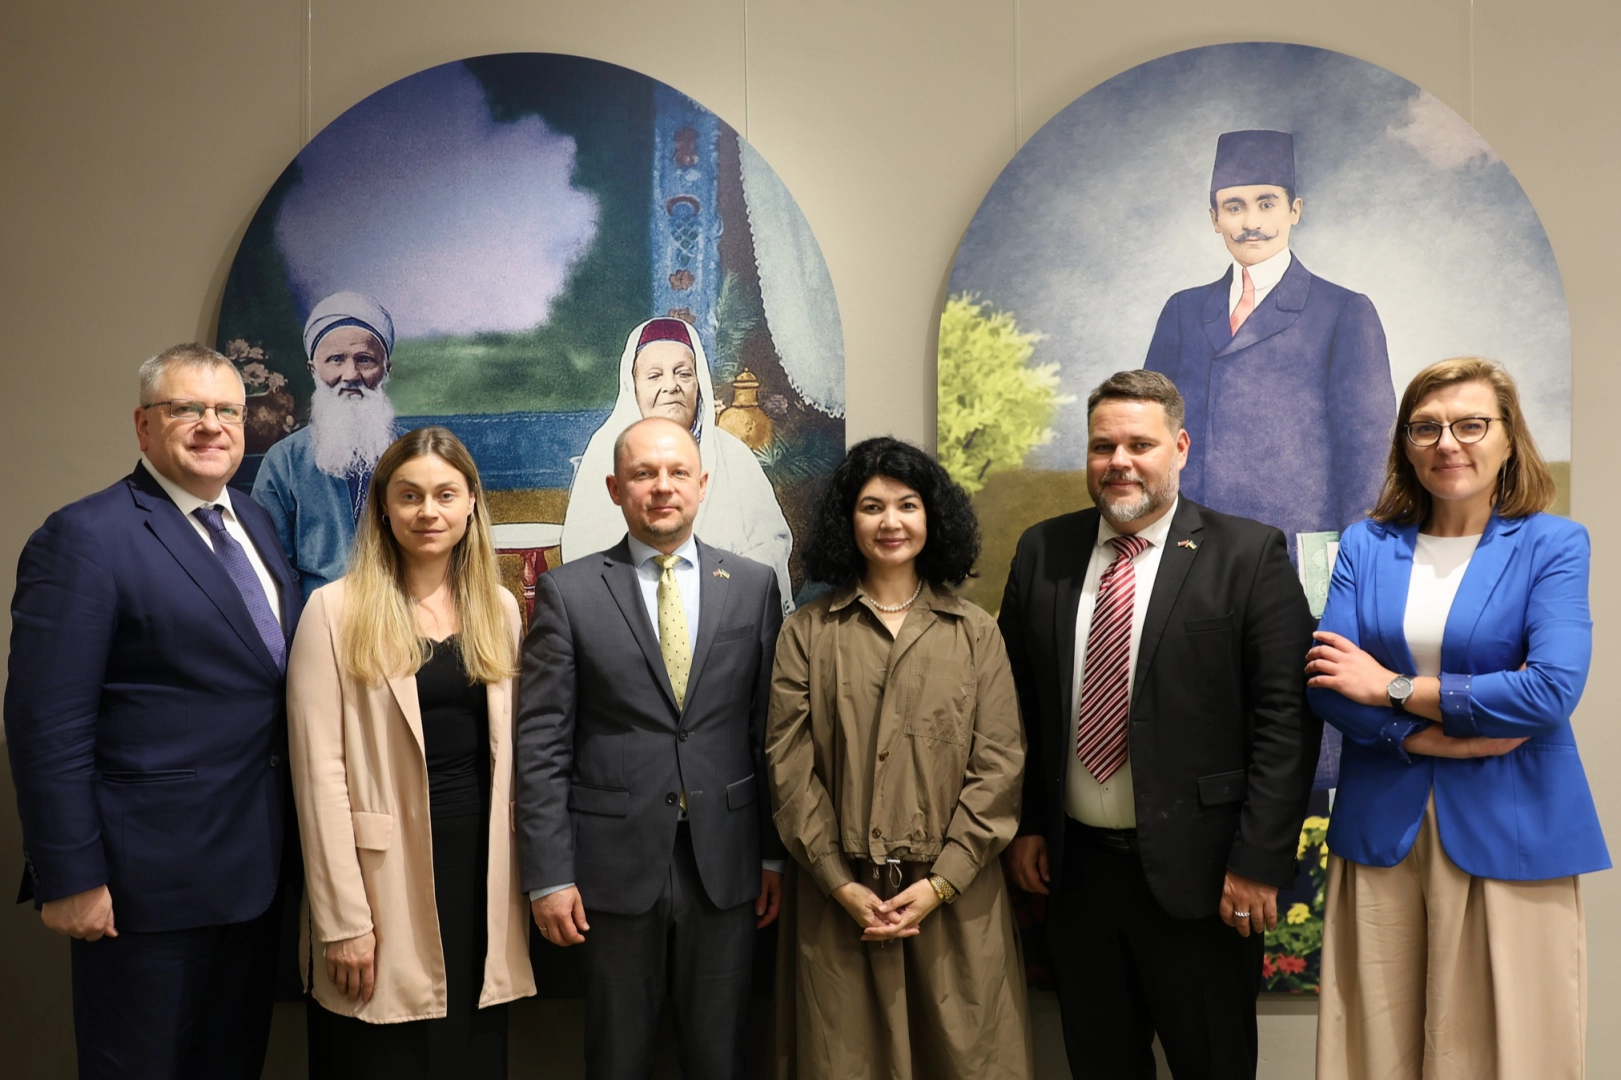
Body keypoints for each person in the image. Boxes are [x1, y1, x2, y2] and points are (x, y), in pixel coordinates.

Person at [999, 369, 1320, 1079]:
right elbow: (1015, 704)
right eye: (1102, 446)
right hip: (1076, 875)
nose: (1118, 462)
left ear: (1179, 447)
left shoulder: (1247, 554)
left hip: (1205, 879)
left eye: (1139, 445)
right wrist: (1025, 824)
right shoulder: (1042, 551)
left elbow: (1286, 721)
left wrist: (1257, 862)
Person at [1305, 357, 1608, 1080]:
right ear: (1406, 445)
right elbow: (1327, 685)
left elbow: (1549, 691)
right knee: (1372, 1053)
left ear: (1508, 437)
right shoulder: (1365, 544)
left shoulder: (1553, 544)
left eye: (1471, 424)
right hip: (1383, 827)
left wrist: (1394, 686)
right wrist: (1422, 735)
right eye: (1426, 427)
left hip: (1514, 827)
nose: (1448, 443)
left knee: (1512, 1051)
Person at [4, 343, 301, 1077]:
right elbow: (47, 727)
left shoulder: (256, 523)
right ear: (143, 426)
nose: (211, 425)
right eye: (186, 409)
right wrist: (69, 875)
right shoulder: (85, 537)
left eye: (227, 410)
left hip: (256, 873)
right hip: (143, 888)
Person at [517, 416, 786, 1079]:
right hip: (609, 866)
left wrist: (772, 855)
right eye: (643, 474)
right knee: (617, 1056)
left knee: (719, 1056)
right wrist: (548, 875)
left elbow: (766, 732)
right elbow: (543, 744)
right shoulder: (568, 592)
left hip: (726, 864)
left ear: (701, 483)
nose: (662, 487)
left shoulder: (753, 586)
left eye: (676, 472)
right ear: (616, 489)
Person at [765, 437, 1033, 1079]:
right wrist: (839, 882)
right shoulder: (807, 632)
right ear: (847, 521)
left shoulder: (976, 632)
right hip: (839, 901)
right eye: (872, 506)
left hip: (956, 899)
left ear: (932, 516)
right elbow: (788, 767)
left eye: (907, 505)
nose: (891, 522)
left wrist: (942, 882)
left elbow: (1000, 765)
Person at [286, 426, 535, 1077]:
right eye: (409, 495)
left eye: (445, 494)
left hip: (482, 872)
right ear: (383, 507)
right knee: (383, 1057)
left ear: (471, 503)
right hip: (379, 882)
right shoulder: (332, 612)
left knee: (470, 1057)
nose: (428, 511)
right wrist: (343, 921)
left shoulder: (500, 610)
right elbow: (318, 779)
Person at [1144, 129, 1394, 564]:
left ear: (1295, 210)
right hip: (1191, 549)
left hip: (1297, 550)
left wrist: (1356, 562)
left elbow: (1369, 454)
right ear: (1214, 218)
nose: (1250, 223)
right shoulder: (1182, 311)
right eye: (1234, 207)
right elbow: (1147, 431)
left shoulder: (1343, 311)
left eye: (1266, 204)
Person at [561, 316, 795, 609]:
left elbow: (771, 544)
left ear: (699, 384)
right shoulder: (603, 456)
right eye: (654, 376)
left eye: (683, 374)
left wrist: (715, 587)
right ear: (633, 386)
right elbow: (582, 559)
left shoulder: (733, 455)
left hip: (724, 618)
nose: (671, 386)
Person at [254, 290, 399, 599]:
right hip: (316, 619)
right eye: (336, 360)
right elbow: (268, 571)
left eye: (365, 360)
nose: (351, 375)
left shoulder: (413, 455)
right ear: (313, 369)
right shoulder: (284, 461)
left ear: (386, 369)